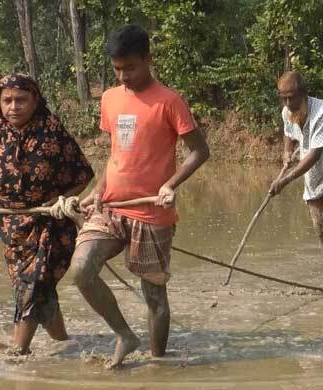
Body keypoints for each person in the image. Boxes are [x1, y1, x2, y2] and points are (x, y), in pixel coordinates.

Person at [69, 24, 210, 369]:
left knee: (154, 297)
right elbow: (117, 154)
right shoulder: (110, 98)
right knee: (80, 270)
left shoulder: (170, 101)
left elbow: (199, 152)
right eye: (117, 69)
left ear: (148, 59)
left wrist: (170, 185)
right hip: (111, 206)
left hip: (151, 213)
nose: (123, 76)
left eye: (130, 67)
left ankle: (158, 364)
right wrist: (95, 192)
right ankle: (124, 334)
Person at [0, 74, 94, 354]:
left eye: (21, 100)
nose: (14, 106)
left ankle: (18, 352)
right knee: (41, 288)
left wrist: (61, 199)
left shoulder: (52, 130)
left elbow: (83, 172)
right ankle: (65, 343)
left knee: (32, 283)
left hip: (51, 223)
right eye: (7, 100)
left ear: (35, 100)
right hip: (11, 226)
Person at [269, 71, 323, 281]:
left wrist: (285, 180)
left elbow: (315, 155)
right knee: (320, 229)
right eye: (284, 98)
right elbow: (289, 134)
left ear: (304, 93)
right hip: (313, 176)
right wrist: (287, 151)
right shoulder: (287, 112)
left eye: (291, 97)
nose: (288, 102)